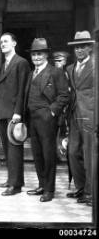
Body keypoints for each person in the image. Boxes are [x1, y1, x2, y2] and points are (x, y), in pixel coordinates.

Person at [24, 38, 70, 202]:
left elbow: (65, 95)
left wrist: (51, 112)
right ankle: (42, 184)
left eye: (39, 54)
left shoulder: (55, 72)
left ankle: (49, 190)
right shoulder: (31, 73)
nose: (36, 57)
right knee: (37, 154)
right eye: (34, 54)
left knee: (48, 154)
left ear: (46, 55)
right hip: (33, 118)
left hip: (47, 119)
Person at [0, 32, 31, 196]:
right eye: (1, 42)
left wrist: (18, 112)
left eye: (6, 41)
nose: (3, 44)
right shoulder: (5, 63)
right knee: (7, 149)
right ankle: (12, 179)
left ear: (14, 44)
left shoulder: (21, 62)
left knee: (14, 149)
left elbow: (22, 90)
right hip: (4, 111)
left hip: (14, 113)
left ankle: (16, 185)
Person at [66, 31, 95, 207]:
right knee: (72, 152)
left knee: (90, 155)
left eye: (83, 46)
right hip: (75, 115)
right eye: (77, 47)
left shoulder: (95, 66)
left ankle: (91, 194)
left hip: (90, 116)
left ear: (90, 48)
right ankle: (81, 187)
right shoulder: (70, 69)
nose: (79, 50)